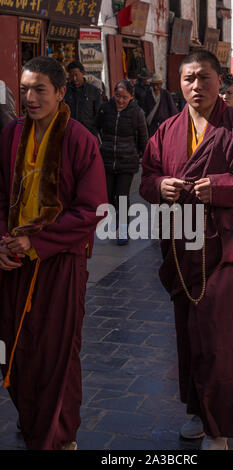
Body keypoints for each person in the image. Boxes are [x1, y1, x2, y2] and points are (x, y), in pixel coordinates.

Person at [139, 50, 233, 451]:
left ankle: (219, 427)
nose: (195, 86)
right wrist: (159, 187)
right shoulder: (167, 129)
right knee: (189, 334)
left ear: (219, 80)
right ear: (180, 82)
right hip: (182, 246)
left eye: (203, 78)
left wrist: (225, 188)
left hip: (227, 251)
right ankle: (197, 410)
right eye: (188, 79)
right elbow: (147, 177)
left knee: (222, 340)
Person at [0, 56, 107, 450]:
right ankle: (32, 417)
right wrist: (4, 241)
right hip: (14, 260)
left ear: (61, 93)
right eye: (25, 88)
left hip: (60, 260)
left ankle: (59, 434)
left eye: (39, 89)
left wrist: (37, 242)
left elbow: (92, 208)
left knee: (57, 350)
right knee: (16, 346)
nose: (29, 97)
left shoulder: (79, 139)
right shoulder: (11, 134)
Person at [97, 79, 148, 245]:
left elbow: (143, 138)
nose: (120, 100)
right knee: (108, 197)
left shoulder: (137, 113)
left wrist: (144, 159)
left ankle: (123, 230)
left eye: (124, 97)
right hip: (107, 160)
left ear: (131, 97)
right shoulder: (105, 109)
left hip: (127, 162)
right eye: (118, 96)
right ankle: (114, 222)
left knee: (122, 197)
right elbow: (95, 128)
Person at [64, 60, 103, 138]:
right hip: (70, 133)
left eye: (76, 75)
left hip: (88, 133)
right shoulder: (65, 91)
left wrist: (95, 131)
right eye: (71, 76)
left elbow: (99, 114)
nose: (74, 79)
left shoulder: (93, 91)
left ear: (83, 73)